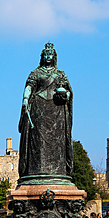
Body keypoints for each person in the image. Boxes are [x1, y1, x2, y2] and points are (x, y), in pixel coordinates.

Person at [18, 42, 73, 183]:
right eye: (46, 54)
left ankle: (58, 171)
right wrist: (25, 99)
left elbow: (68, 92)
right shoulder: (36, 73)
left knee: (57, 143)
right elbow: (29, 87)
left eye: (50, 54)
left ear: (54, 57)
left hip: (56, 112)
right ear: (42, 57)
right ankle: (37, 170)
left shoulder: (60, 74)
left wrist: (65, 95)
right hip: (39, 109)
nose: (48, 57)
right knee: (38, 142)